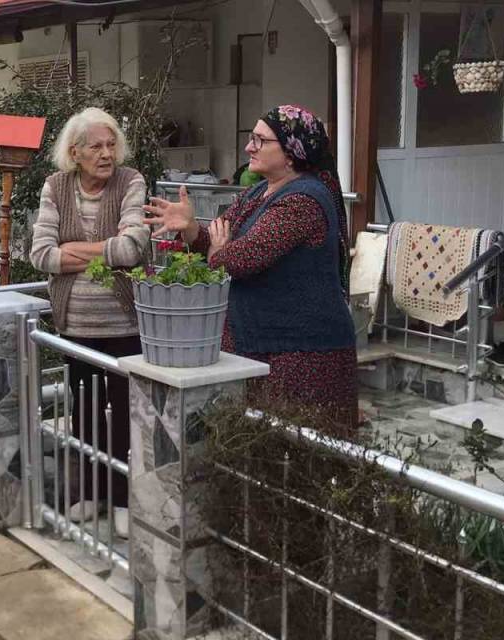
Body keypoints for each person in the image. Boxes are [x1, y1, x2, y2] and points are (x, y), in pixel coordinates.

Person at [143, 104, 358, 433]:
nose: (248, 147)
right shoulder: (259, 191)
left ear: (291, 151)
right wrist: (190, 229)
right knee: (258, 455)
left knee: (297, 458)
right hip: (262, 346)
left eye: (260, 140)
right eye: (251, 138)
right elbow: (218, 240)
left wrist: (220, 249)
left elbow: (240, 259)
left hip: (300, 355)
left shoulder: (303, 201)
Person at [29, 107, 150, 538]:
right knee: (85, 416)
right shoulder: (55, 187)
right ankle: (94, 492)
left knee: (121, 416)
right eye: (96, 146)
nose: (107, 153)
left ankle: (121, 497)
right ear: (75, 152)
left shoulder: (130, 181)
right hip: (74, 325)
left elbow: (133, 248)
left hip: (123, 325)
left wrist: (73, 250)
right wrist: (102, 249)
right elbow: (40, 253)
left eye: (111, 144)